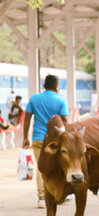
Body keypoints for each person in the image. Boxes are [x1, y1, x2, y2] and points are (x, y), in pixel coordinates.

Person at [22, 75, 69, 208]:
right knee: (59, 165)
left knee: (42, 167)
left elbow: (27, 119)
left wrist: (25, 137)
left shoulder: (34, 98)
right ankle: (60, 194)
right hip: (56, 140)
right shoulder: (60, 100)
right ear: (57, 86)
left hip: (38, 138)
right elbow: (65, 121)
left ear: (44, 86)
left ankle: (42, 198)